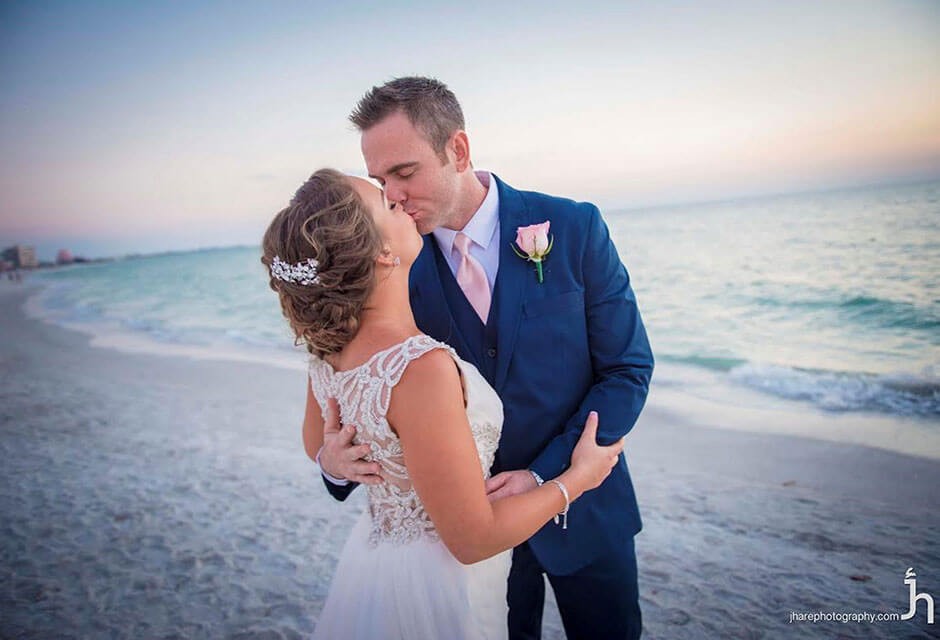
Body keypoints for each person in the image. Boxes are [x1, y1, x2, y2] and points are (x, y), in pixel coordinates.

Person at [319, 77, 654, 640]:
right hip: (468, 541)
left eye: (404, 172)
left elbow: (626, 370)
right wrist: (332, 465)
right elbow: (364, 391)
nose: (393, 196)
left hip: (587, 508)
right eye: (380, 182)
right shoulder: (390, 266)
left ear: (459, 150)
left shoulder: (573, 227)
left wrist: (547, 474)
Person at [261, 168, 624, 640]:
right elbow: (472, 540)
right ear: (382, 254)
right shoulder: (420, 368)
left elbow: (316, 443)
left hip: (376, 566)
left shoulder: (328, 349)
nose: (398, 197)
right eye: (387, 203)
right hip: (437, 587)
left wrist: (331, 459)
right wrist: (578, 479)